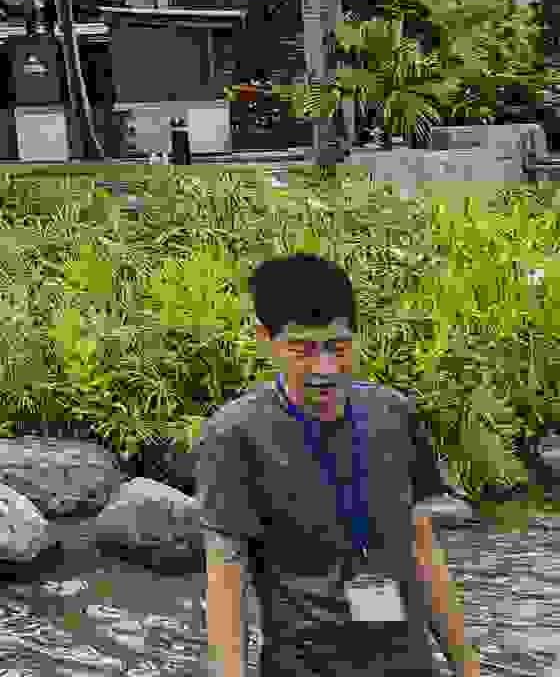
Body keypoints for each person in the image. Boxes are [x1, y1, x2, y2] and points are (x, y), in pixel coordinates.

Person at [196, 253, 477, 677]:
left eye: (338, 347)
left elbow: (423, 551)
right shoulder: (234, 436)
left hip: (408, 664)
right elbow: (226, 583)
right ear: (265, 338)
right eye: (303, 349)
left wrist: (467, 668)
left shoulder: (394, 414)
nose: (324, 369)